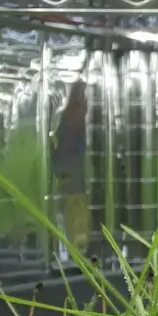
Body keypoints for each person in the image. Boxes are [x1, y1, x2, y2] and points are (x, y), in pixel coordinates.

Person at [51, 81, 91, 256]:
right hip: (68, 200)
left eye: (84, 103)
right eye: (76, 104)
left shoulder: (88, 136)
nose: (81, 109)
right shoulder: (57, 136)